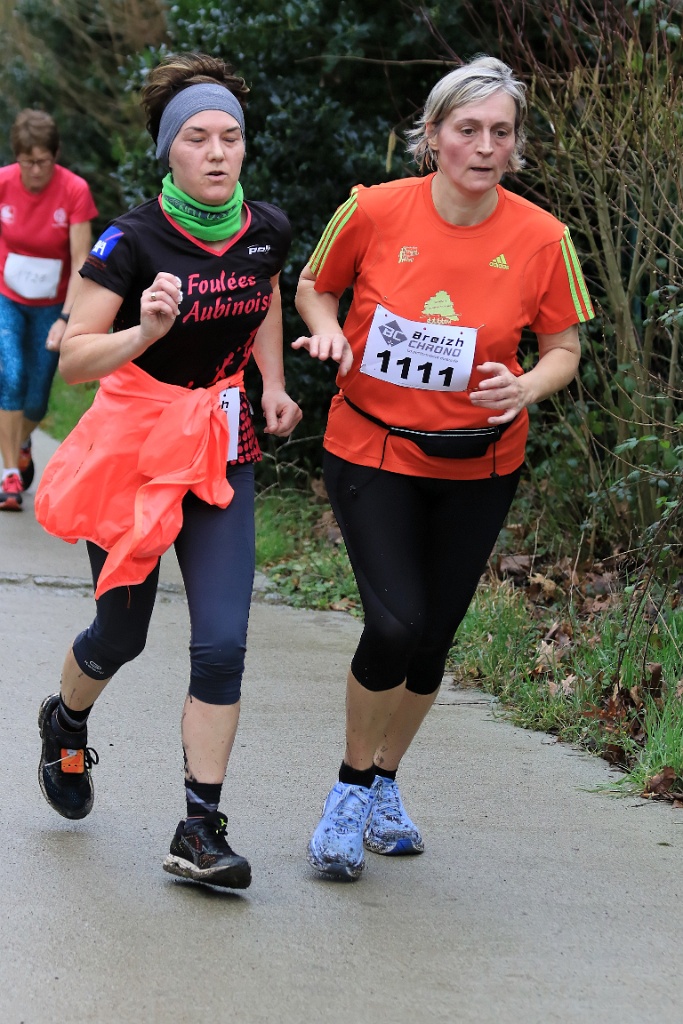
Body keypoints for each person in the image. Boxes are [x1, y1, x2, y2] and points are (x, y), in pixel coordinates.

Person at [292, 55, 594, 880]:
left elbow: (564, 348)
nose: (485, 146)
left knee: (432, 639)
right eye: (467, 129)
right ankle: (348, 789)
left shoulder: (543, 238)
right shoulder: (372, 209)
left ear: (516, 144)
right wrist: (330, 330)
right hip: (373, 447)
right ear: (432, 136)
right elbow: (313, 286)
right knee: (393, 624)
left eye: (501, 131)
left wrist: (525, 386)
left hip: (480, 463)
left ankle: (384, 782)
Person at [34, 52, 301, 890]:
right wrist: (143, 332)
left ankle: (199, 829)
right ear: (168, 150)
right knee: (122, 634)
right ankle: (65, 722)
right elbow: (75, 359)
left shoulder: (266, 228)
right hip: (136, 451)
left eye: (230, 137)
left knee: (221, 644)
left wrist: (273, 384)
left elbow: (263, 296)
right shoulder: (130, 241)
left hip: (220, 447)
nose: (217, 152)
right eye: (197, 138)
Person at [0, 109, 98, 510]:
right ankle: (9, 474)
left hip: (52, 305)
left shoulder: (74, 190)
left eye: (43, 161)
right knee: (11, 375)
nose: (36, 171)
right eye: (28, 162)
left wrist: (65, 318)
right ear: (16, 158)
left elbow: (81, 262)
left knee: (38, 398)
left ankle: (22, 440)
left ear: (55, 156)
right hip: (6, 297)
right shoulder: (3, 184)